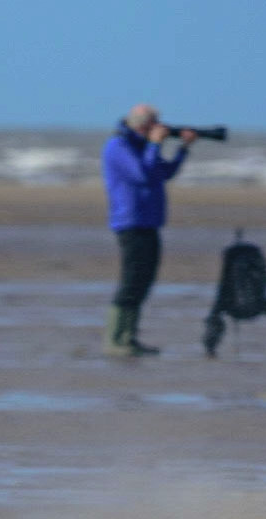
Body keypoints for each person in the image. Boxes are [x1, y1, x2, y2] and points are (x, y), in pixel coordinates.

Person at [102, 103, 197, 356]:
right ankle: (115, 340)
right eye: (152, 124)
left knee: (145, 280)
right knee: (131, 281)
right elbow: (142, 174)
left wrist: (183, 148)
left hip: (150, 222)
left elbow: (163, 172)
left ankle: (129, 338)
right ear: (139, 124)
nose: (157, 128)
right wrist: (155, 144)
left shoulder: (142, 146)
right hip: (130, 223)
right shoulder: (118, 146)